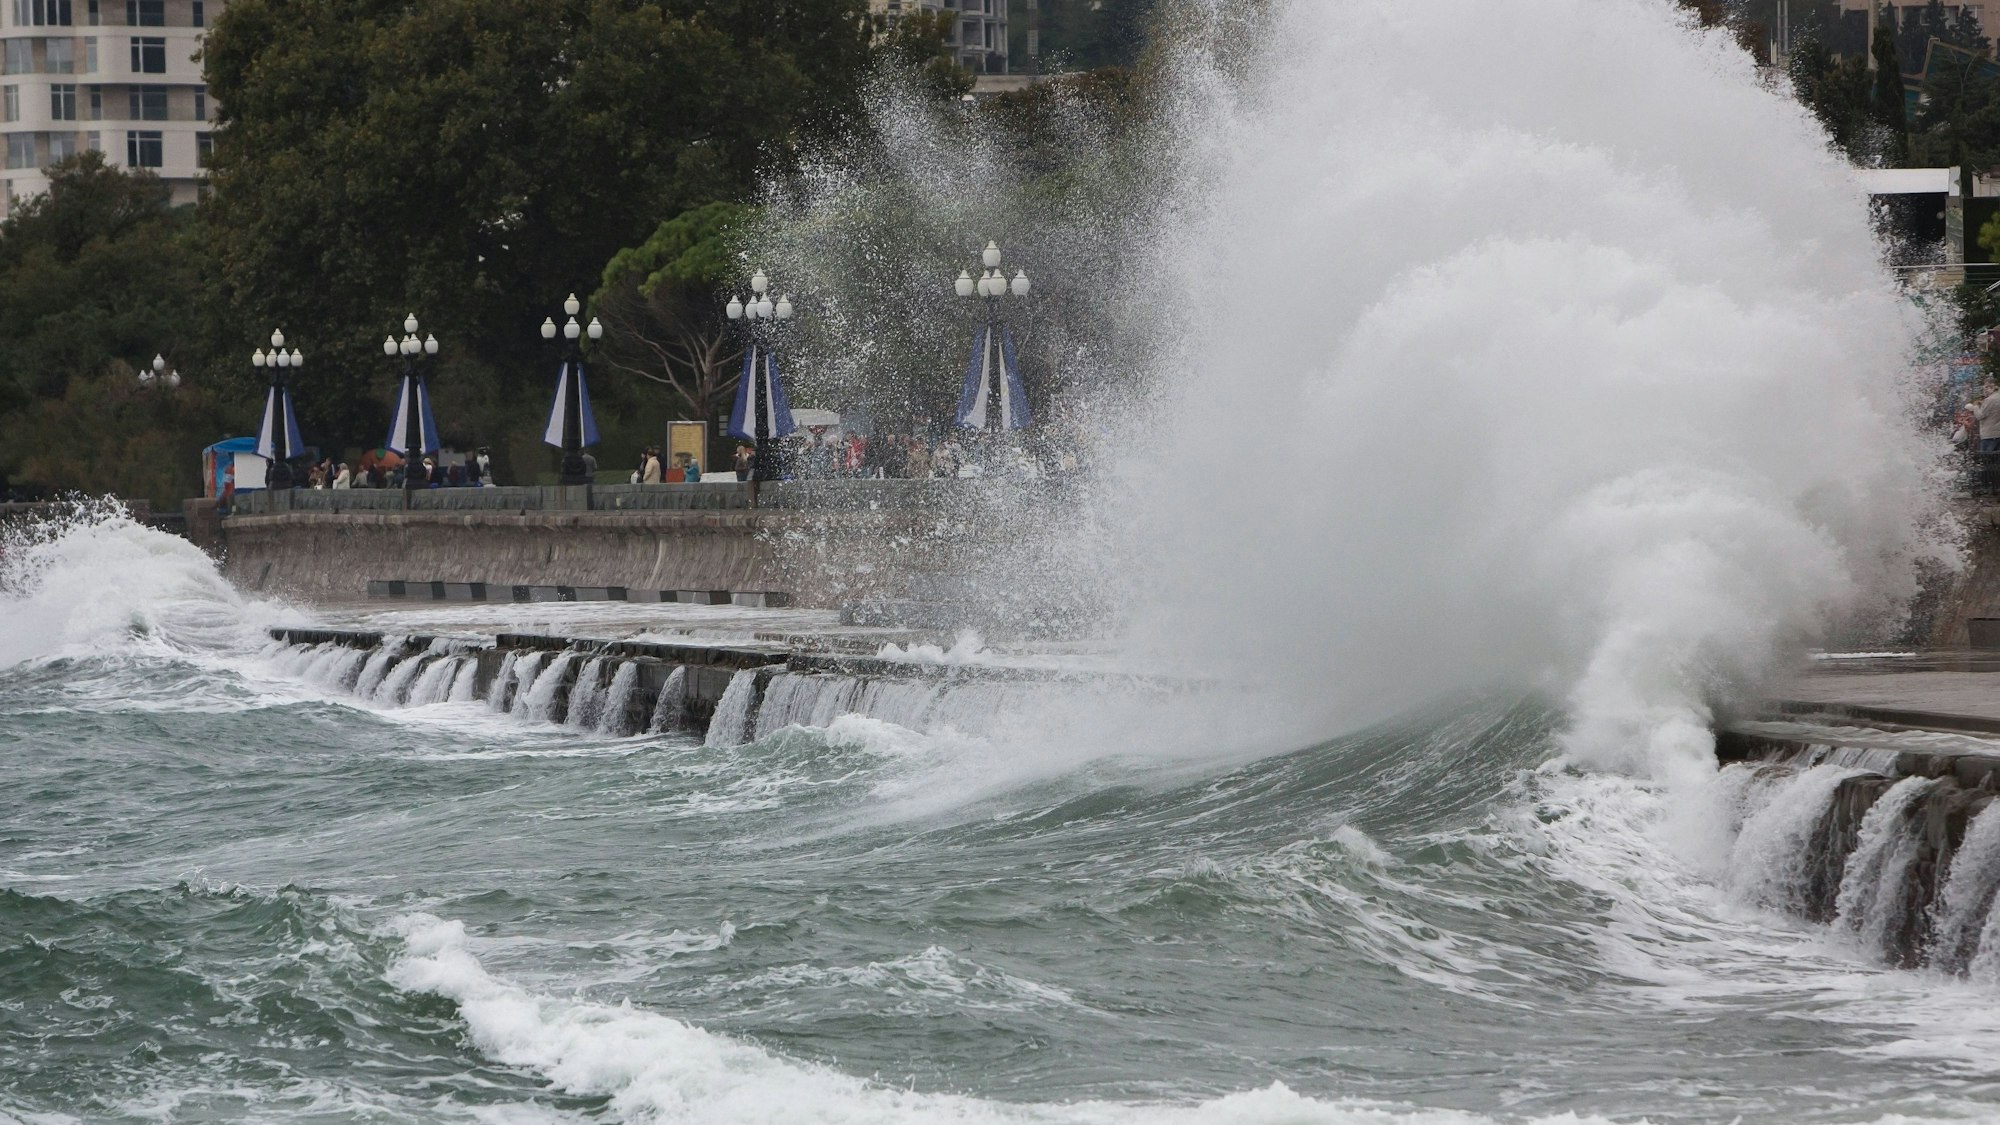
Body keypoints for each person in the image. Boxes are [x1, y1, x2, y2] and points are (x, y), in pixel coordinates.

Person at [1978, 383, 2000, 453]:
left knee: (1986, 457)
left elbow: (1980, 416)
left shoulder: (1989, 400)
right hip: (1998, 434)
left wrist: (1975, 407)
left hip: (1988, 434)